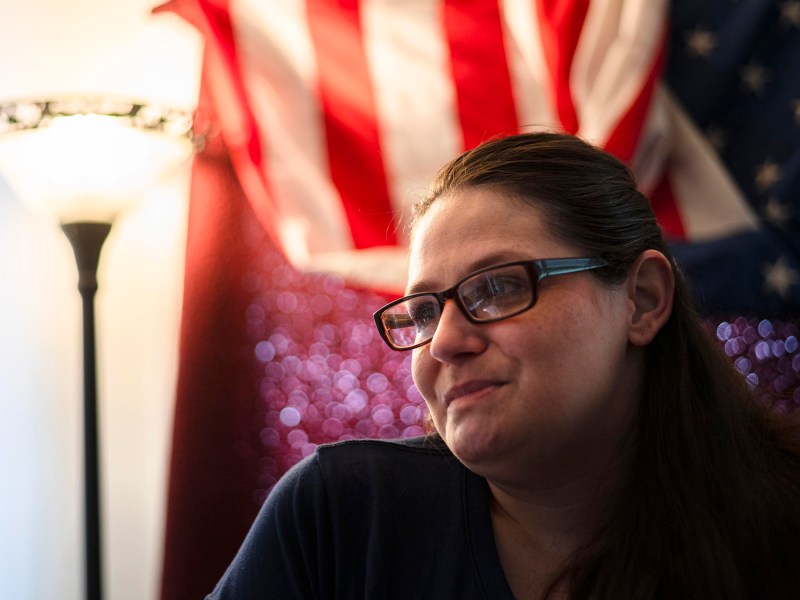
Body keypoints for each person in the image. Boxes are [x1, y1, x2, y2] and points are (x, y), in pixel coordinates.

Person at [206, 132, 800, 599]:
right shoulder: (342, 518)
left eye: (496, 288)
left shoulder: (781, 524)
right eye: (423, 312)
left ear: (641, 300)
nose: (444, 343)